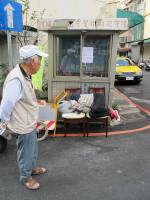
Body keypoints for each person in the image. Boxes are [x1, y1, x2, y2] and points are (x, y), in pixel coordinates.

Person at [0, 45, 48, 190]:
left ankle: (31, 168)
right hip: (22, 123)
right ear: (31, 62)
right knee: (25, 151)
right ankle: (26, 177)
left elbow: (23, 97)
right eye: (39, 61)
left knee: (32, 150)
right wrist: (4, 122)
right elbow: (7, 102)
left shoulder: (26, 74)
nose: (40, 64)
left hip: (29, 121)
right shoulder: (16, 78)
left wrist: (35, 102)